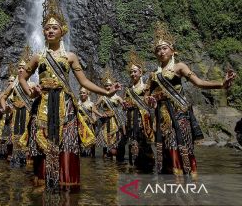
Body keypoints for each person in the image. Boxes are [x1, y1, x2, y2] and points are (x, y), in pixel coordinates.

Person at [18, 0, 121, 189]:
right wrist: (29, 90)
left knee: (68, 142)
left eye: (54, 28)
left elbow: (83, 82)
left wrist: (106, 92)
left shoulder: (71, 56)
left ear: (62, 31)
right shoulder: (38, 56)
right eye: (47, 28)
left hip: (65, 103)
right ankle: (43, 182)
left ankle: (67, 183)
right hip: (43, 103)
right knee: (42, 141)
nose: (50, 31)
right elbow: (23, 77)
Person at [145, 22, 236, 176]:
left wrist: (221, 84)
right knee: (167, 149)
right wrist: (151, 100)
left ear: (173, 51)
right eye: (158, 50)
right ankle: (171, 188)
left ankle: (188, 184)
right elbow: (146, 96)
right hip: (163, 116)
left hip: (180, 113)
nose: (161, 51)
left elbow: (198, 83)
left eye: (164, 48)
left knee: (181, 146)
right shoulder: (153, 75)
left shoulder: (179, 67)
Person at [0, 46, 35, 166]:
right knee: (15, 135)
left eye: (23, 68)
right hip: (15, 114)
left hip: (28, 113)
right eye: (19, 68)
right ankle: (15, 157)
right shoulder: (13, 85)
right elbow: (3, 97)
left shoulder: (33, 84)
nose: (20, 70)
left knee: (27, 133)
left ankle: (28, 158)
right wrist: (5, 108)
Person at [122, 51, 154, 171]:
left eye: (135, 71)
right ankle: (133, 164)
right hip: (130, 118)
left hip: (142, 118)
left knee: (143, 141)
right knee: (132, 141)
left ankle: (147, 165)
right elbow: (124, 105)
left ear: (140, 73)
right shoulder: (128, 90)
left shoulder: (146, 87)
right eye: (131, 72)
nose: (132, 74)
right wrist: (125, 105)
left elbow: (147, 103)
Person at [95, 68, 127, 162]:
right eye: (106, 86)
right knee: (105, 143)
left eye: (109, 85)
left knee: (115, 140)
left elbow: (125, 106)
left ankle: (115, 161)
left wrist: (124, 107)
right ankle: (106, 165)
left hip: (116, 121)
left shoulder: (117, 98)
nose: (108, 87)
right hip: (105, 122)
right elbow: (94, 107)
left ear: (112, 86)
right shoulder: (102, 97)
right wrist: (100, 114)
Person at [0, 73, 15, 160]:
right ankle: (2, 155)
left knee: (12, 139)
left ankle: (11, 155)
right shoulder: (3, 94)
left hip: (13, 118)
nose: (10, 82)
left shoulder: (17, 93)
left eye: (12, 81)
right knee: (2, 139)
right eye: (9, 81)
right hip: (3, 118)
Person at [78, 87, 104, 157]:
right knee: (80, 143)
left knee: (91, 144)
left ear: (87, 94)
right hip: (80, 126)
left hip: (89, 126)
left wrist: (94, 122)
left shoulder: (91, 104)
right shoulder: (77, 104)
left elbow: (93, 115)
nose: (82, 94)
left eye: (84, 93)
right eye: (80, 93)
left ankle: (92, 158)